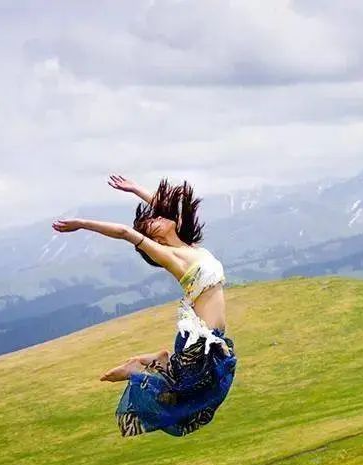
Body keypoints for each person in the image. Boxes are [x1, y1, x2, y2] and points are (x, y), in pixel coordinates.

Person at [52, 175, 237, 437]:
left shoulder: (189, 246)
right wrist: (82, 224)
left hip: (207, 339)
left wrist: (136, 189)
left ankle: (160, 361)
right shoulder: (173, 257)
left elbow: (166, 212)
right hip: (198, 341)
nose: (160, 217)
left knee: (199, 388)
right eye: (155, 222)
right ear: (157, 240)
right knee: (187, 398)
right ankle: (138, 370)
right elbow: (126, 233)